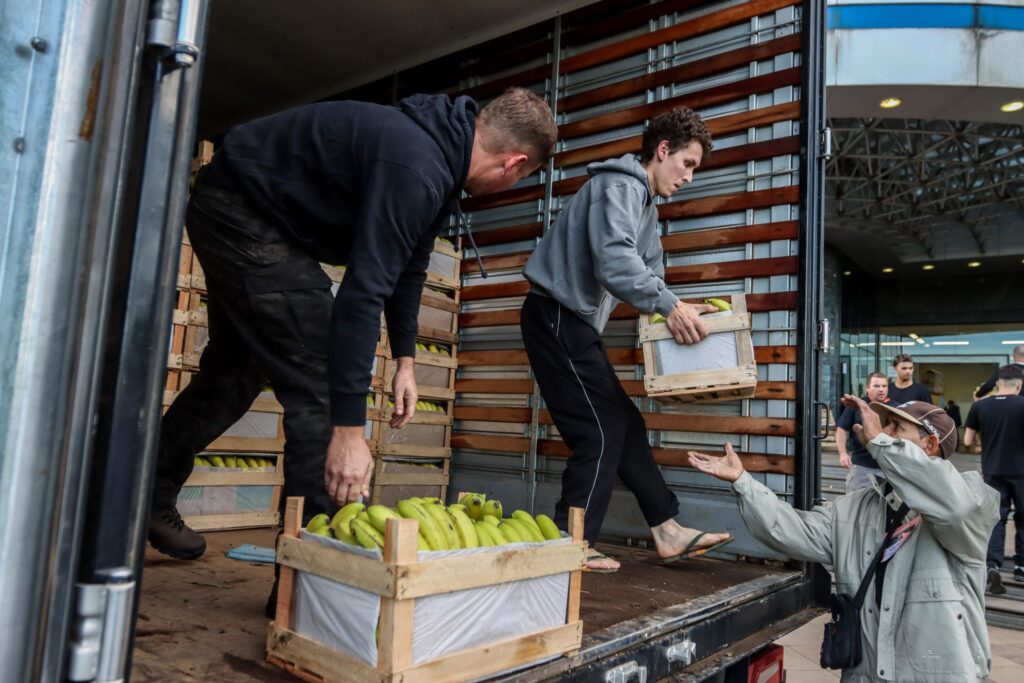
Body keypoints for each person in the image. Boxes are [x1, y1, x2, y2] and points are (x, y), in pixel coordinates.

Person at [148, 88, 558, 560]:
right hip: (240, 209)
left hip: (257, 217)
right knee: (321, 374)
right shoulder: (416, 166)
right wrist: (347, 431)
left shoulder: (438, 165)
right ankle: (314, 574)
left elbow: (409, 267)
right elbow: (361, 296)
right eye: (521, 177)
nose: (512, 184)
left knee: (235, 373)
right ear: (514, 163)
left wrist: (405, 358)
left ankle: (141, 496)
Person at [520, 107, 731, 573]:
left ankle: (667, 529)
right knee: (599, 429)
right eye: (688, 164)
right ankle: (569, 542)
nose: (690, 177)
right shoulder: (620, 186)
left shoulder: (645, 206)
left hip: (574, 324)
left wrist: (678, 311)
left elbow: (650, 273)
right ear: (662, 151)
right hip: (556, 315)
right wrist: (667, 306)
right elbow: (615, 261)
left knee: (627, 424)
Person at [688, 397, 998, 682]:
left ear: (930, 444)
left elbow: (954, 506)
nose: (881, 431)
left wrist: (881, 443)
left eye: (896, 427)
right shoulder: (858, 506)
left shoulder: (973, 499)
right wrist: (743, 483)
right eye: (885, 424)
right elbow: (792, 530)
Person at [963, 364, 1024, 593]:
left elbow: (967, 441)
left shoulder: (981, 407)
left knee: (995, 519)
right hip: (1021, 472)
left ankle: (992, 564)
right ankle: (1020, 566)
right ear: (1019, 384)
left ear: (998, 383)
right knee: (1023, 518)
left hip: (992, 470)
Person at [836, 372, 889, 492]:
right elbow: (841, 428)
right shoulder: (856, 406)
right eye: (876, 386)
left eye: (884, 386)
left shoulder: (895, 408)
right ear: (867, 387)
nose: (881, 389)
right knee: (854, 504)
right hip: (862, 467)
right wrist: (842, 453)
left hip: (888, 468)